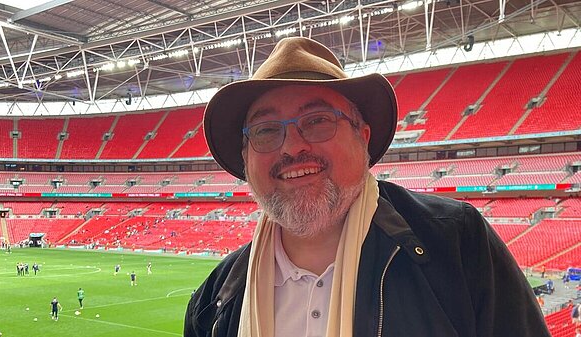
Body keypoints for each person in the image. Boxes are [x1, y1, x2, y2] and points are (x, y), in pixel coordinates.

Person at [183, 37, 551, 337]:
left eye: (317, 120)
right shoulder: (216, 300)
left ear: (363, 137)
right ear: (246, 159)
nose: (292, 146)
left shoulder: (456, 244)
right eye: (265, 130)